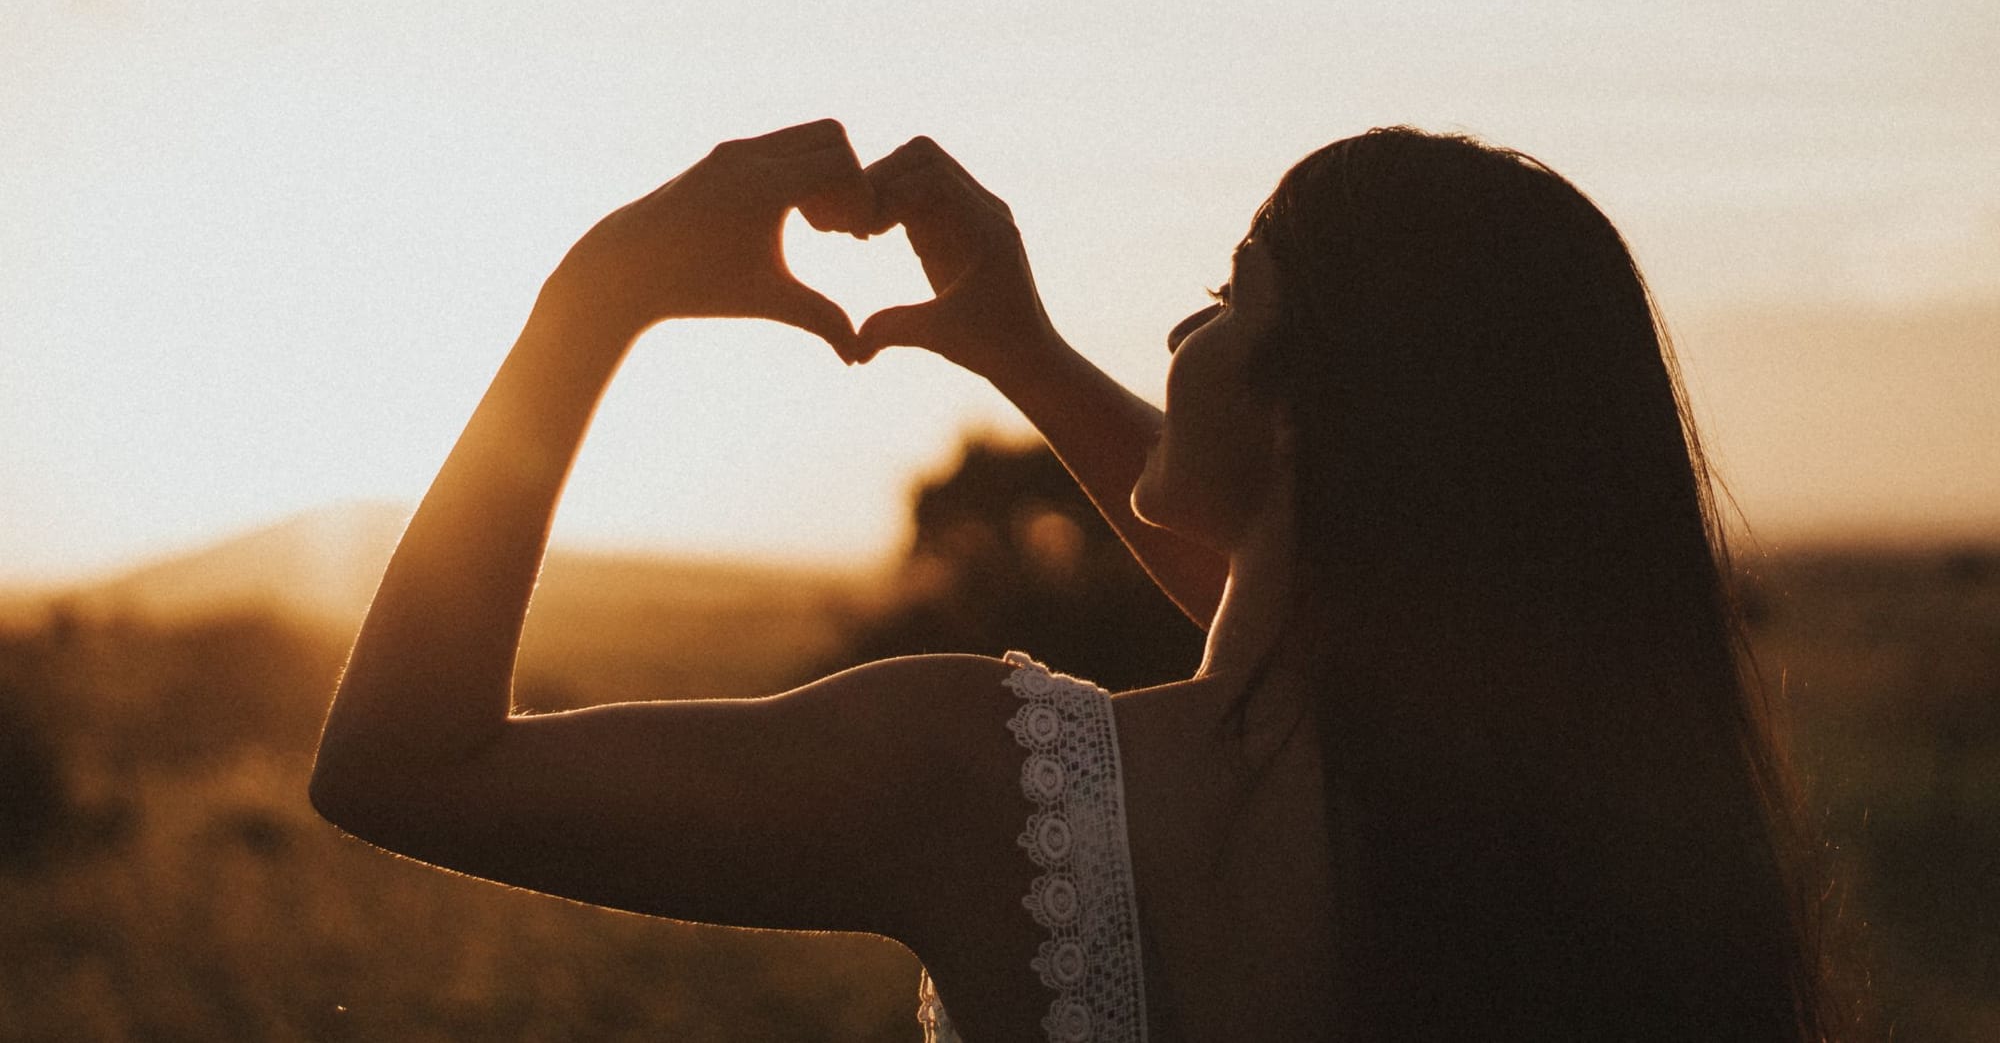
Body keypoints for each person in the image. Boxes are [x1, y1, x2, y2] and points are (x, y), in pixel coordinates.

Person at [310, 120, 1833, 1040]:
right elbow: (1320, 624)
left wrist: (603, 286)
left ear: (1330, 407)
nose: (1184, 330)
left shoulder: (985, 785)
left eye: (1236, 291)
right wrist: (1021, 348)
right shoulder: (1589, 854)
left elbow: (402, 761)